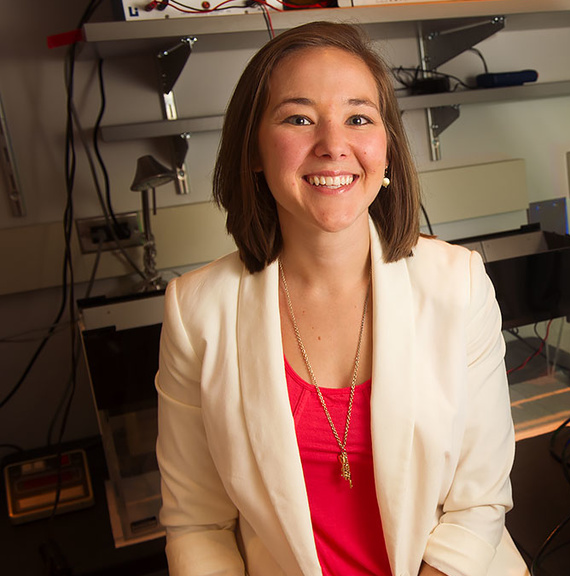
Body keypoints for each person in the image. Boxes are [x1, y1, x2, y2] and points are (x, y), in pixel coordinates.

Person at [155, 21, 526, 576]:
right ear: (254, 150)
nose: (333, 145)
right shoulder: (195, 311)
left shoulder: (459, 283)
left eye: (358, 117)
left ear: (387, 149)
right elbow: (197, 525)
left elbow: (479, 499)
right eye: (299, 118)